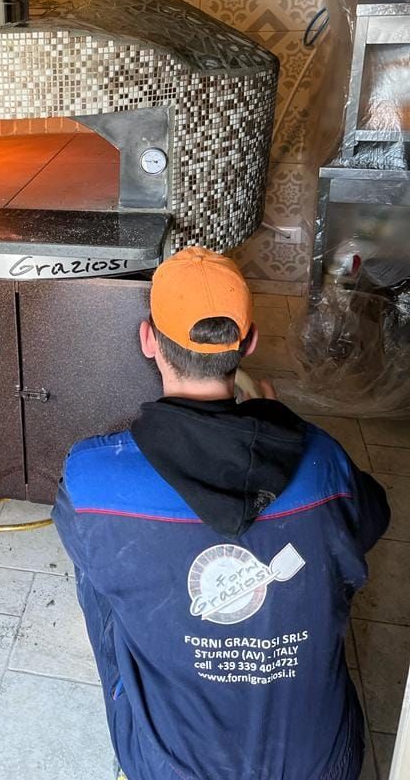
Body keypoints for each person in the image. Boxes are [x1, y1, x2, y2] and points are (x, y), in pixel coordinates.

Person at [53, 247, 390, 780]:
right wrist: (279, 428)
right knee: (331, 538)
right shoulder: (323, 461)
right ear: (250, 342)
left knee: (98, 561)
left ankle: (148, 719)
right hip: (321, 765)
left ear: (148, 340)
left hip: (171, 768)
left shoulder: (93, 477)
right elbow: (372, 522)